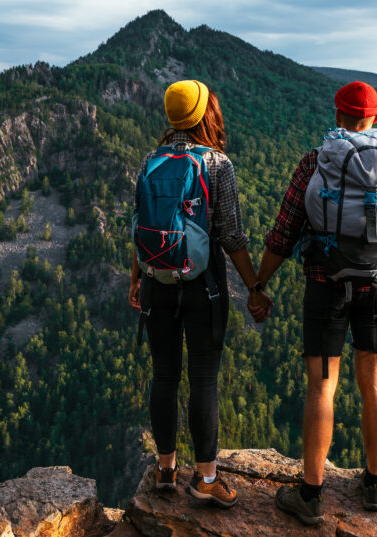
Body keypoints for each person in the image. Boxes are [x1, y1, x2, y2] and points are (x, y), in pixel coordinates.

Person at [250, 81, 377, 524]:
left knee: (322, 386)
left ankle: (310, 495)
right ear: (375, 118)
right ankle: (374, 484)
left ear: (337, 114)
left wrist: (259, 284)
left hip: (326, 286)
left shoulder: (315, 163)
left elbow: (283, 232)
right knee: (376, 383)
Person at [129, 80, 272, 508]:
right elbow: (231, 235)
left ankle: (166, 470)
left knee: (164, 376)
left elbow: (139, 228)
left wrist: (135, 279)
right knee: (203, 379)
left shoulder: (150, 161)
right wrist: (255, 287)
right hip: (202, 288)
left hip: (157, 283)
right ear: (204, 114)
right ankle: (206, 478)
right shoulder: (216, 165)